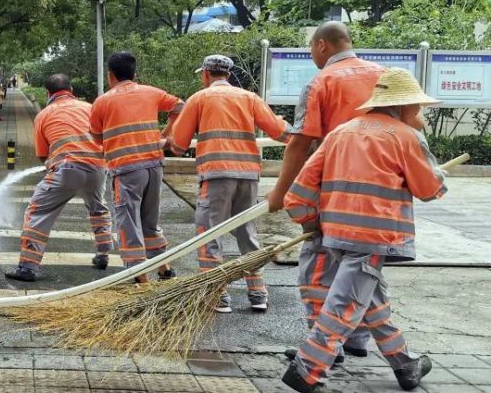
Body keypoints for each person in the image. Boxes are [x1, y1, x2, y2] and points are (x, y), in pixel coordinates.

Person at [281, 68, 445, 393]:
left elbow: (297, 194)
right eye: (418, 106)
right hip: (373, 239)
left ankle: (405, 363)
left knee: (371, 300)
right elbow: (430, 189)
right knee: (346, 302)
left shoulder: (341, 132)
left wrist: (311, 223)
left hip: (336, 236)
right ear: (404, 105)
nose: (421, 112)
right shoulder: (406, 137)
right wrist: (430, 161)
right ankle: (308, 368)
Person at [265, 22, 385, 361]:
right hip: (382, 195)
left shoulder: (322, 82)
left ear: (321, 45)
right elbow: (411, 128)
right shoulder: (386, 75)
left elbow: (300, 144)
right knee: (363, 264)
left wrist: (280, 193)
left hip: (335, 189)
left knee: (318, 262)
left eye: (310, 50)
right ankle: (355, 339)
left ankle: (321, 344)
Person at [168, 54, 290, 313]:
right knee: (247, 233)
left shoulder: (199, 99)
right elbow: (280, 132)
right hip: (248, 175)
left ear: (205, 75)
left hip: (216, 174)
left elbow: (178, 145)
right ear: (229, 75)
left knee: (210, 232)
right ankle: (257, 293)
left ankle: (217, 294)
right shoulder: (249, 98)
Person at [5, 74, 113, 281]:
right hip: (98, 167)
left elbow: (42, 155)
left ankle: (28, 267)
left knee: (37, 212)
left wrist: (51, 164)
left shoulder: (44, 115)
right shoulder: (90, 108)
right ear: (71, 89)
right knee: (98, 208)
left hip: (67, 169)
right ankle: (103, 254)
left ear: (47, 93)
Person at [89, 52, 183, 283]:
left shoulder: (103, 102)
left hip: (127, 170)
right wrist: (165, 133)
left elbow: (96, 137)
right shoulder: (151, 92)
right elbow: (181, 106)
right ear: (134, 74)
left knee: (128, 222)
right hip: (154, 165)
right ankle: (164, 270)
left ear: (110, 76)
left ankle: (139, 278)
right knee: (149, 222)